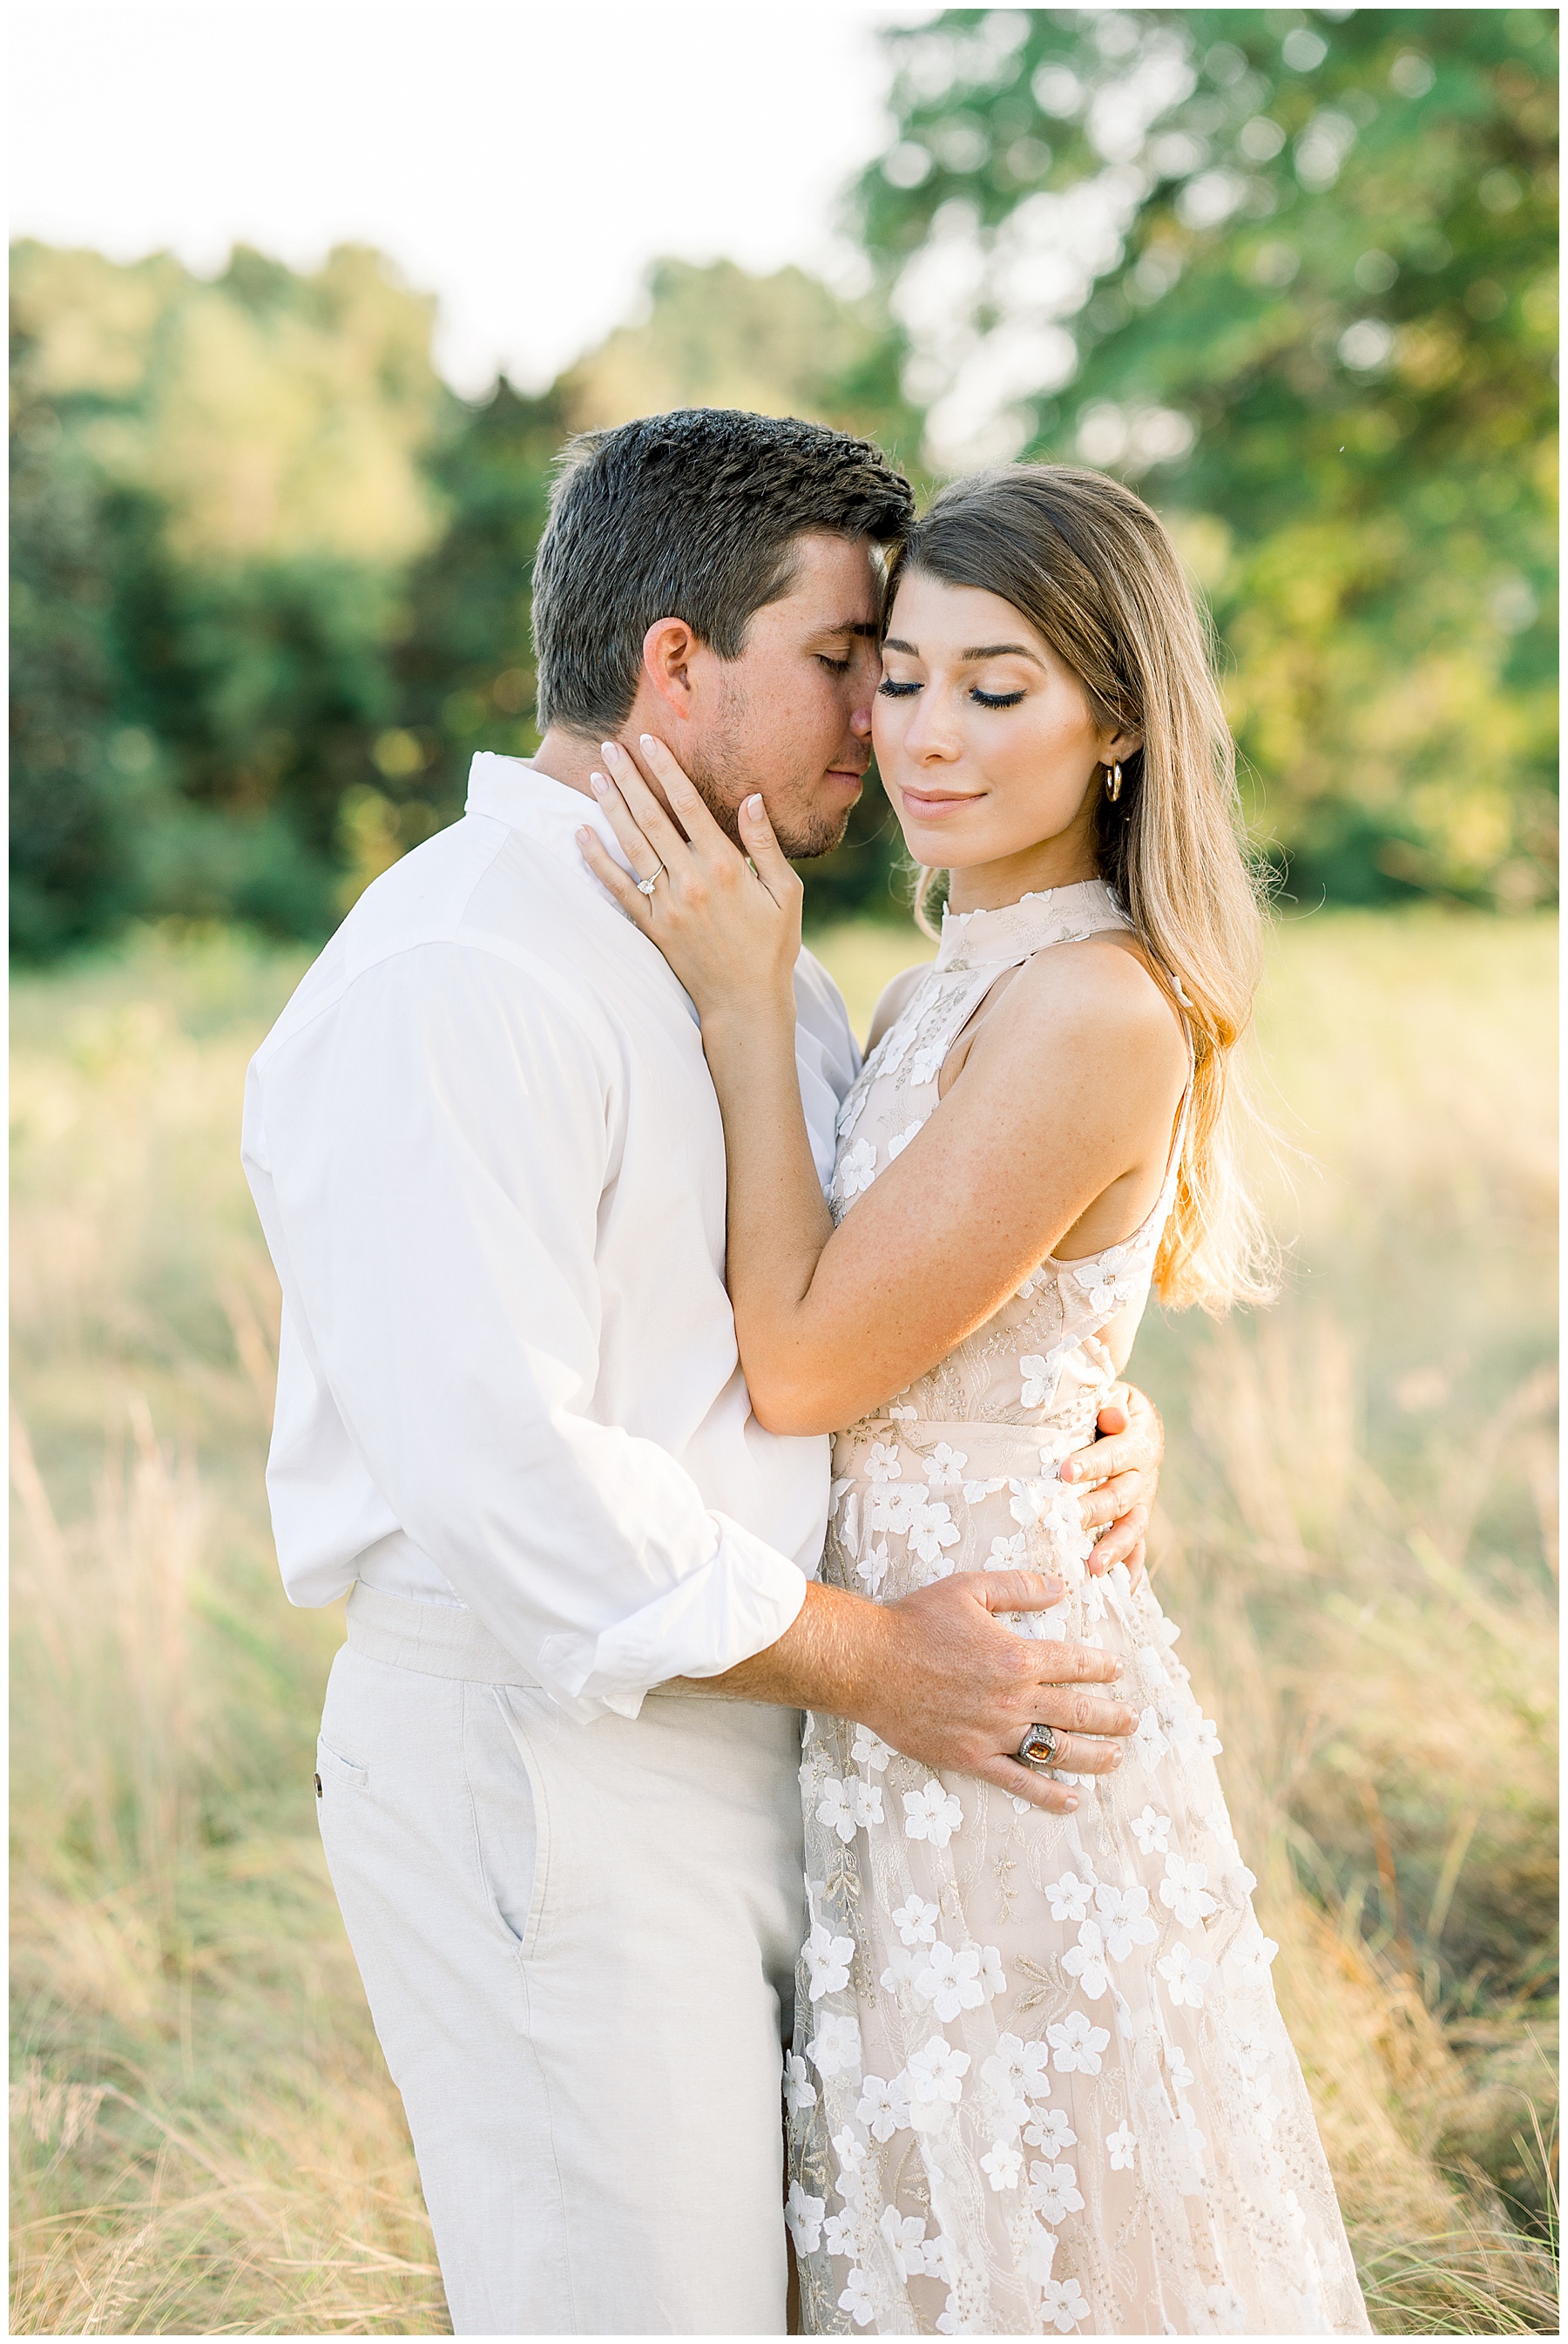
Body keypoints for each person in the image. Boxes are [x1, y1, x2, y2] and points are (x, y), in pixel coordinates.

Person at [240, 412, 1166, 2336]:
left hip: (796, 1755)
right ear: (680, 663)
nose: (887, 725)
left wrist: (1073, 1414)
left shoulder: (750, 951)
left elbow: (850, 1306)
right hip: (557, 1759)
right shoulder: (464, 971)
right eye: (850, 662)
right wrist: (878, 1657)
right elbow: (513, 1485)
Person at [580, 462, 1370, 2334]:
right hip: (908, 1689)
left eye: (995, 688)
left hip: (1006, 1718)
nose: (924, 735)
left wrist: (740, 1004)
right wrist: (1100, 1408)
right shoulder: (958, 975)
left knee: (1058, 2244)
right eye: (900, 676)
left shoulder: (1090, 1005)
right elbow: (1000, 1332)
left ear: (1117, 724)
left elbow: (810, 1358)